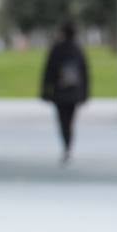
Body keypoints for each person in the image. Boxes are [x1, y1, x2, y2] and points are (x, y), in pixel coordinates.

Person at [40, 22, 90, 164]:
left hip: (60, 93)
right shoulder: (78, 50)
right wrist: (85, 93)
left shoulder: (57, 50)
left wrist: (45, 91)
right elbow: (85, 74)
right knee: (70, 121)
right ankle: (68, 146)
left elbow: (48, 72)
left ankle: (66, 145)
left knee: (63, 121)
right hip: (73, 93)